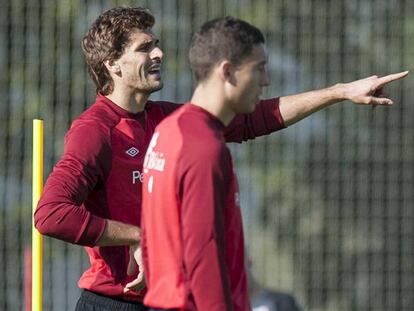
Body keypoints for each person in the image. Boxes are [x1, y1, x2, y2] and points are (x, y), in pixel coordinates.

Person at [34, 6, 295, 311]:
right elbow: (50, 215)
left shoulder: (166, 119)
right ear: (113, 64)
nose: (158, 53)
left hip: (161, 301)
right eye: (145, 48)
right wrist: (136, 236)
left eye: (156, 44)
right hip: (112, 303)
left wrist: (338, 92)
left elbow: (252, 119)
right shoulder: (94, 130)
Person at [141, 16, 407, 310]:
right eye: (259, 69)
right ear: (227, 71)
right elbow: (203, 253)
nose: (266, 80)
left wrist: (340, 91)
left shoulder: (169, 131)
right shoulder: (204, 148)